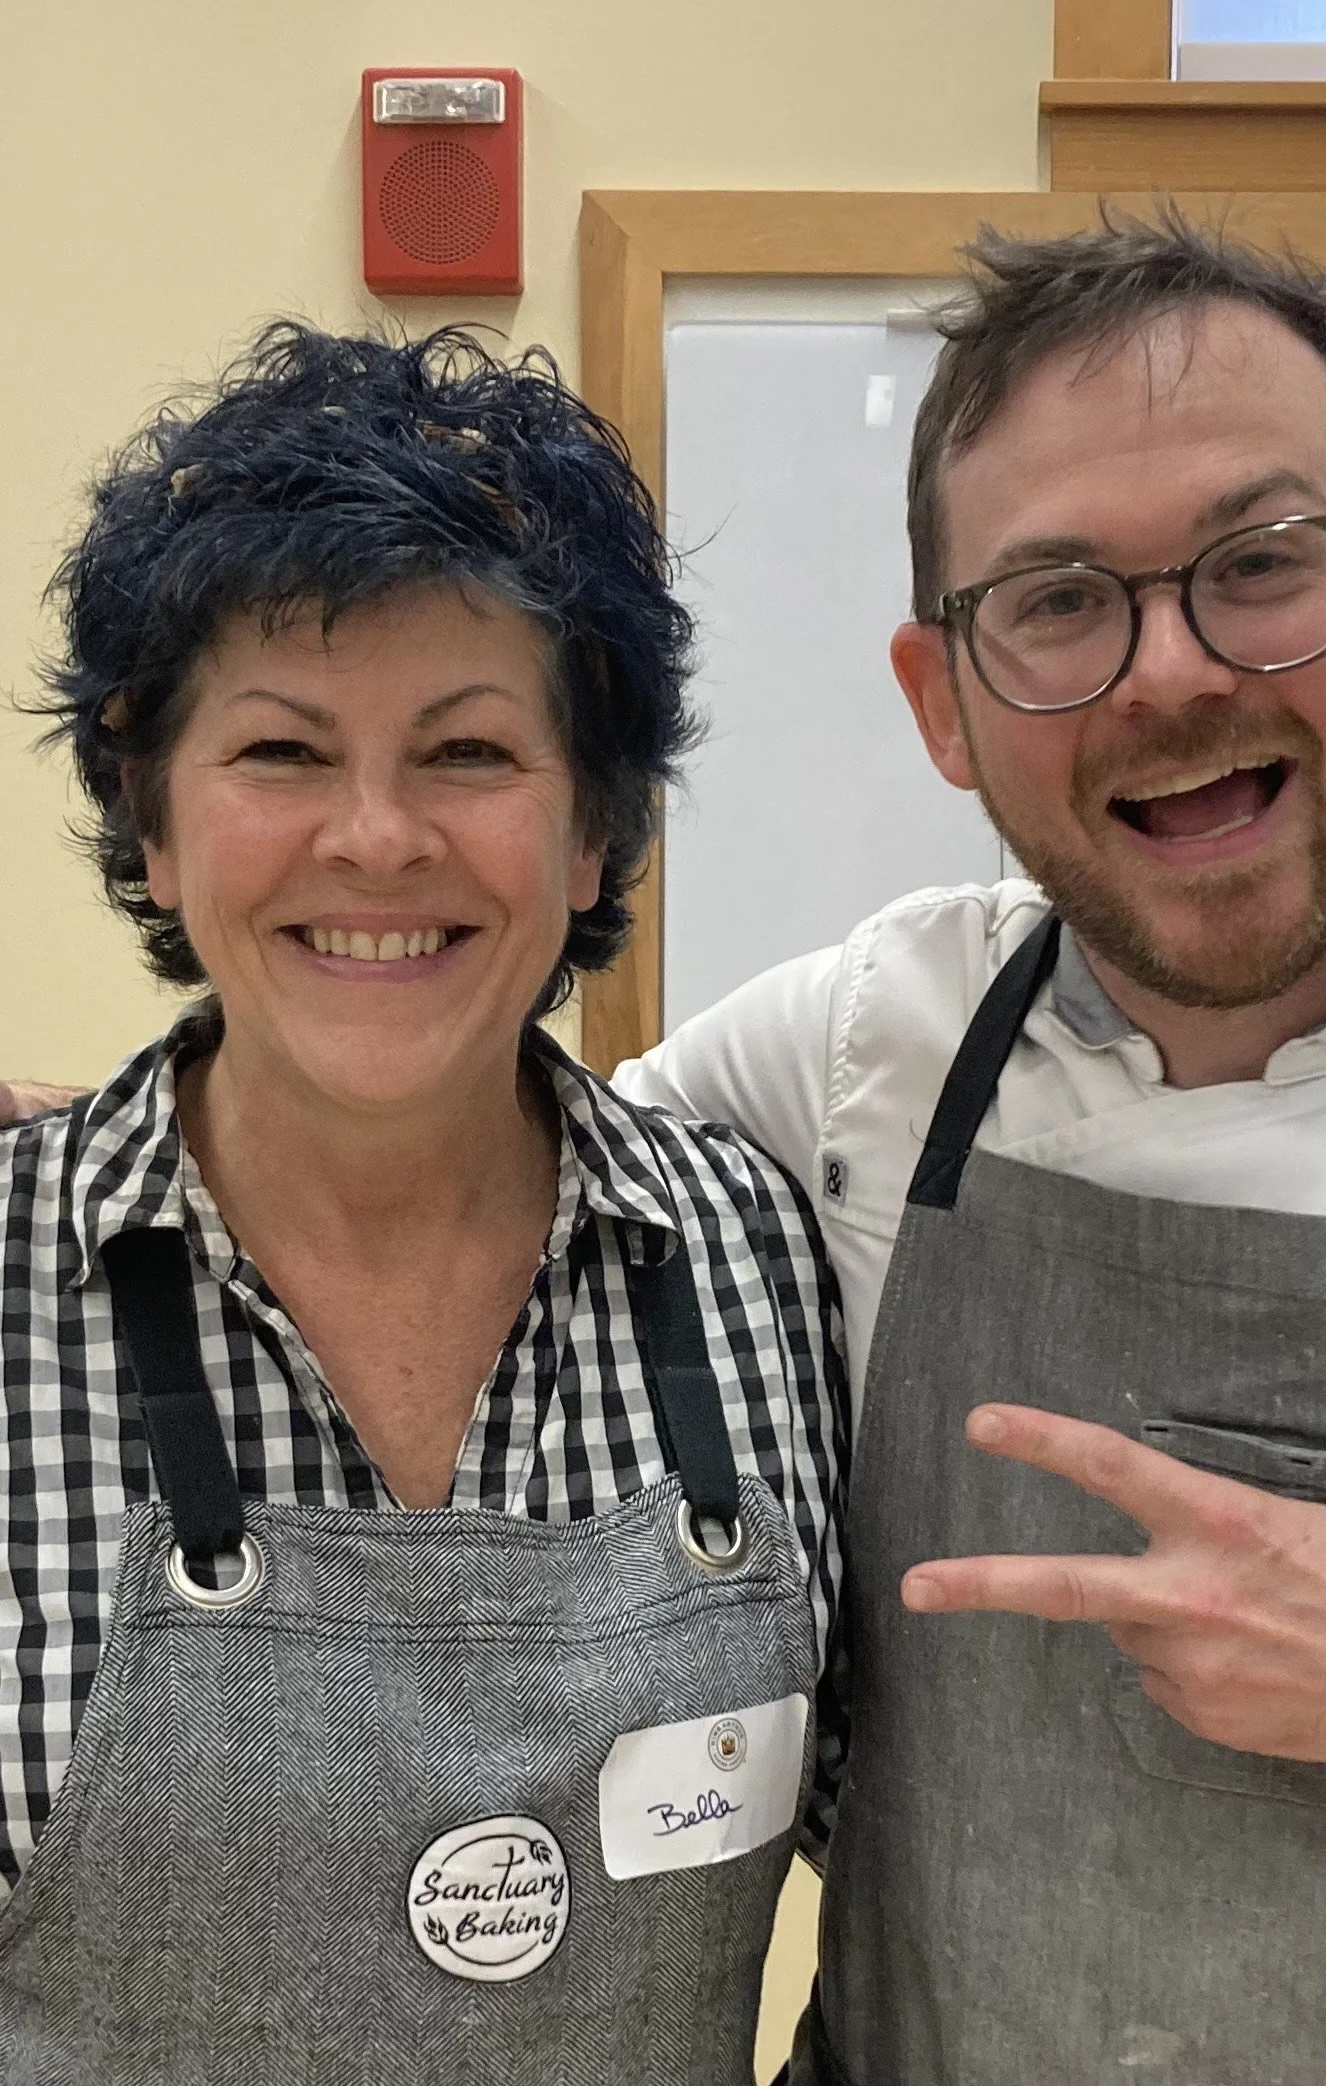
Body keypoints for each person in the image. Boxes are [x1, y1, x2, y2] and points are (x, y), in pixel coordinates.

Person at [610, 220, 1326, 2081]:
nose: (1173, 670)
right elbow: (460, 1178)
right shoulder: (867, 1040)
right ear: (940, 700)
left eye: (1262, 563)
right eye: (1057, 600)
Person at [0, 322, 845, 2084]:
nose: (376, 838)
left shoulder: (766, 1262)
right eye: (282, 754)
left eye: (468, 753)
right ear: (152, 823)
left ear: (595, 830)